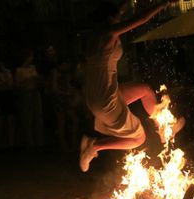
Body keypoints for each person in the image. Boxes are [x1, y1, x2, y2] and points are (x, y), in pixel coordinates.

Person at [79, 0, 184, 172]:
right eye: (118, 16)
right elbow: (140, 19)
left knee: (145, 90)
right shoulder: (108, 34)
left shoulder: (98, 33)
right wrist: (163, 4)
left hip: (102, 92)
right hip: (103, 98)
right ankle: (94, 146)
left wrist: (127, 2)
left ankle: (165, 127)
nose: (121, 17)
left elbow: (119, 9)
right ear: (109, 18)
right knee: (138, 139)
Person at [15, 49, 43, 149]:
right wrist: (26, 81)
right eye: (30, 56)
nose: (32, 58)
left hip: (35, 92)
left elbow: (37, 80)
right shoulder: (19, 70)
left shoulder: (33, 68)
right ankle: (29, 142)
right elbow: (17, 85)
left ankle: (39, 141)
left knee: (38, 116)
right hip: (26, 93)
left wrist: (37, 80)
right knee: (28, 117)